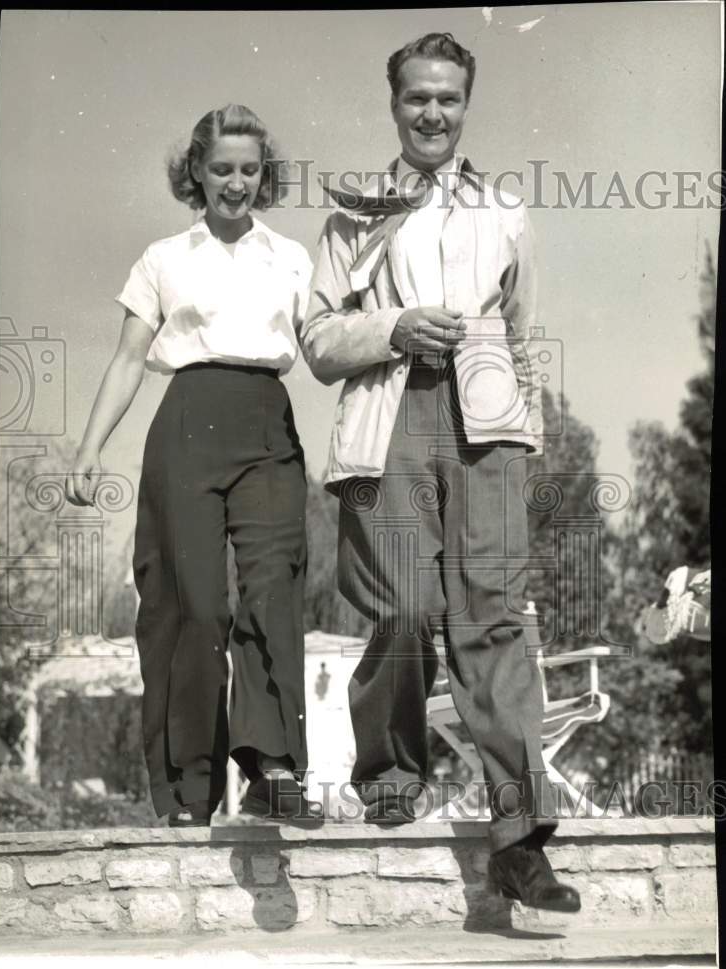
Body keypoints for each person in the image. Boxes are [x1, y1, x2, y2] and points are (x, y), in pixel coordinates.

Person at [302, 33, 579, 911]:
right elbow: (314, 340)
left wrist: (520, 429)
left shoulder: (503, 208)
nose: (432, 113)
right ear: (394, 106)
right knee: (406, 607)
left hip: (487, 429)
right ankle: (389, 774)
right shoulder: (352, 213)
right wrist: (393, 329)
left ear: (466, 106)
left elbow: (525, 332)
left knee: (493, 618)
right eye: (417, 98)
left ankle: (520, 839)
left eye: (448, 99)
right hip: (389, 421)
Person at [66, 103, 319, 826]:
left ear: (263, 175)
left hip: (268, 425)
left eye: (249, 170)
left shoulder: (293, 258)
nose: (236, 184)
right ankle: (188, 789)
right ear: (196, 173)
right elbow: (124, 361)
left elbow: (326, 346)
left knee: (274, 586)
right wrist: (88, 450)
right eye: (221, 170)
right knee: (194, 605)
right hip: (187, 423)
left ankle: (272, 768)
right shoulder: (162, 259)